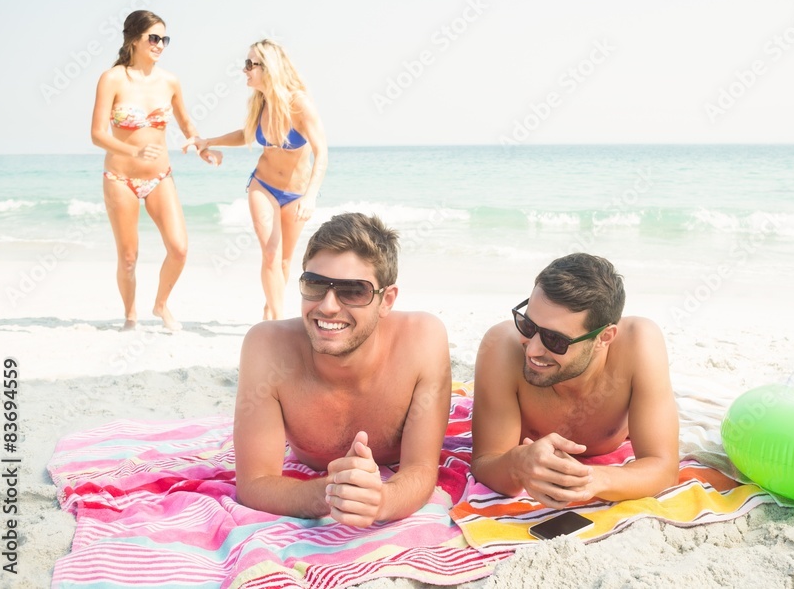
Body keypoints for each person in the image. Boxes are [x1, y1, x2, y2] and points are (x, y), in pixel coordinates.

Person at [232, 212, 451, 526]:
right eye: (315, 285)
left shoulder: (422, 341)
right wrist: (333, 493)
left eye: (353, 291)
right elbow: (254, 483)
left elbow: (420, 471)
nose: (328, 306)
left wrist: (382, 501)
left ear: (386, 300)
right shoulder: (267, 347)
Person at [470, 253, 679, 508]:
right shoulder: (503, 347)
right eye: (527, 325)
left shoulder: (639, 344)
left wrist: (592, 480)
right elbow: (486, 462)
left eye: (555, 340)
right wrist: (518, 463)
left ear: (604, 338)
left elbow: (664, 468)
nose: (533, 349)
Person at [185, 39, 328, 320]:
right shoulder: (260, 103)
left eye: (251, 64)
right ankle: (277, 322)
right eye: (245, 64)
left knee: (286, 260)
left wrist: (311, 196)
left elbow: (322, 153)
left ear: (269, 68)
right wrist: (209, 141)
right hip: (263, 186)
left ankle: (270, 307)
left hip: (297, 194)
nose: (245, 70)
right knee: (271, 254)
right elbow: (247, 134)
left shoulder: (300, 104)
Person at [90, 10, 202, 331]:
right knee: (128, 258)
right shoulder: (112, 79)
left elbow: (186, 122)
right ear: (134, 39)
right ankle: (130, 314)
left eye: (164, 39)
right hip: (120, 178)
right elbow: (97, 134)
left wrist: (198, 143)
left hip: (159, 177)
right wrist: (132, 149)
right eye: (154, 38)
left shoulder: (170, 81)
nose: (160, 45)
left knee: (179, 249)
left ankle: (160, 304)